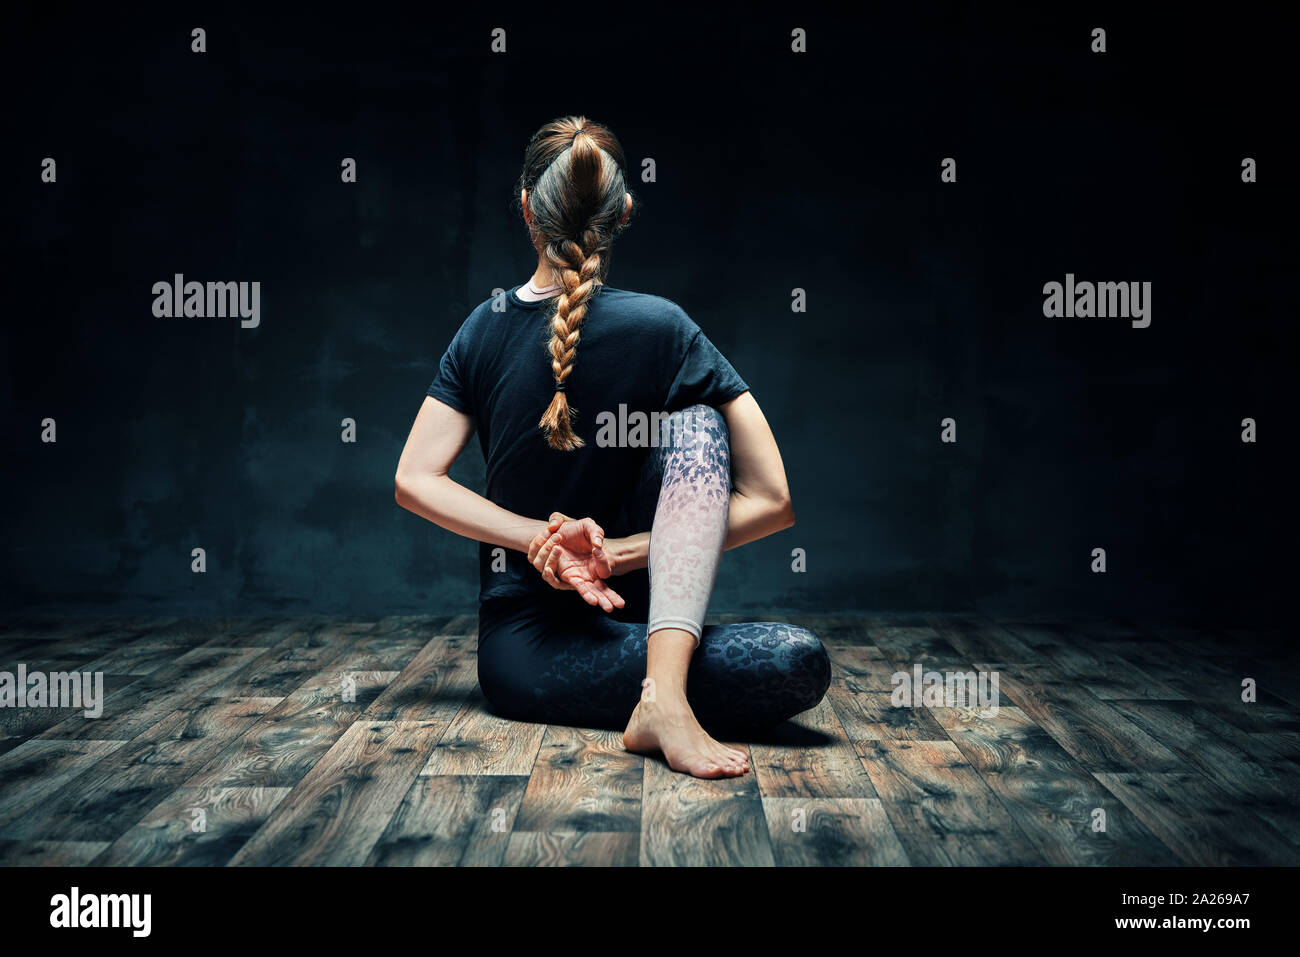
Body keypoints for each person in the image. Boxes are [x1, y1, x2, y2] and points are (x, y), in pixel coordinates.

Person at [395, 115, 830, 778]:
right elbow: (773, 499)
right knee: (796, 660)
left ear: (524, 209)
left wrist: (614, 553)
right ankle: (665, 697)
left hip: (548, 650)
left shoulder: (481, 326)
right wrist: (546, 539)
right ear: (624, 211)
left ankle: (664, 693)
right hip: (542, 644)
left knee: (695, 424)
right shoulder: (666, 326)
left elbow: (414, 479)